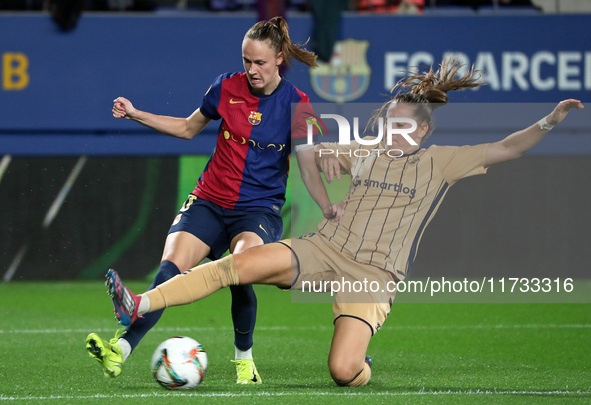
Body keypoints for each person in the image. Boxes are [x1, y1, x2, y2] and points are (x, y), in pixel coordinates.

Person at [102, 58, 583, 386]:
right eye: (384, 120)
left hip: (374, 275)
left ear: (417, 128)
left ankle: (361, 362)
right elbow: (316, 151)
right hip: (325, 248)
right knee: (235, 265)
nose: (384, 127)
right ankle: (139, 303)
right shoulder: (366, 152)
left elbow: (508, 148)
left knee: (343, 371)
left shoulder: (443, 161)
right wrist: (322, 156)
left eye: (395, 121)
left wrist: (548, 122)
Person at [86, 16, 343, 384]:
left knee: (241, 269)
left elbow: (307, 165)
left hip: (258, 210)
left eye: (260, 63)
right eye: (246, 61)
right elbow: (188, 128)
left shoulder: (297, 105)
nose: (252, 70)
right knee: (168, 269)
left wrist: (327, 205)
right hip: (208, 200)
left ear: (280, 59)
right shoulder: (225, 87)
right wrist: (136, 113)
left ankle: (244, 361)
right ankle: (120, 350)